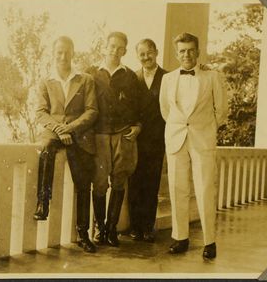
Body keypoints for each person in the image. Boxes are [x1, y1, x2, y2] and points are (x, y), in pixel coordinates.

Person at [159, 32, 228, 259]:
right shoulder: (167, 79)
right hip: (176, 138)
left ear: (198, 51)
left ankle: (210, 241)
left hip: (202, 139)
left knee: (205, 188)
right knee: (177, 189)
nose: (186, 55)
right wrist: (181, 127)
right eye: (182, 51)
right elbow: (165, 111)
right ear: (176, 54)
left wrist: (205, 129)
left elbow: (222, 110)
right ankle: (180, 238)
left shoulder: (212, 77)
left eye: (190, 50)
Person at [34, 36, 98, 253]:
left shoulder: (85, 79)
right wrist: (59, 130)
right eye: (59, 52)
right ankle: (43, 203)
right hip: (53, 133)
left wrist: (69, 129)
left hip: (79, 135)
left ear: (73, 53)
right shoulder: (46, 81)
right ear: (53, 54)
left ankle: (83, 233)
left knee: (83, 183)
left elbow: (92, 111)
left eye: (67, 52)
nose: (63, 56)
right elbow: (41, 112)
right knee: (44, 150)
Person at [87, 31, 142, 247]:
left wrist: (138, 126)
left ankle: (112, 229)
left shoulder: (130, 76)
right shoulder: (92, 73)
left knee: (119, 180)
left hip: (122, 134)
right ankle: (100, 228)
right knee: (100, 183)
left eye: (120, 48)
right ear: (105, 46)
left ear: (125, 51)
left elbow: (138, 107)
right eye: (112, 46)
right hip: (99, 134)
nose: (115, 51)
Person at [128, 39, 167, 243]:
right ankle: (135, 227)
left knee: (151, 184)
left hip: (158, 139)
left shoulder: (168, 77)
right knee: (135, 182)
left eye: (149, 52)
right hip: (136, 139)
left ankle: (148, 227)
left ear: (156, 52)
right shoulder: (133, 78)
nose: (146, 57)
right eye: (142, 54)